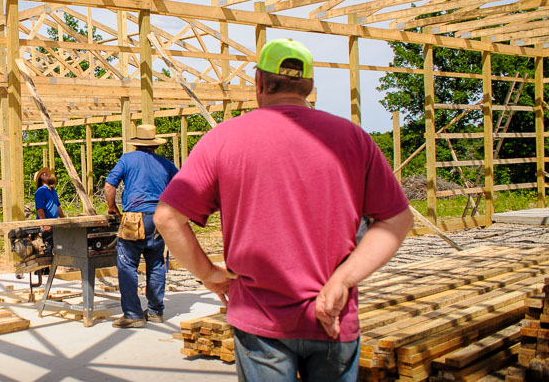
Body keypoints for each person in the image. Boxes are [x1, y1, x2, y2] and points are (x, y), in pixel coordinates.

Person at [154, 39, 413, 381]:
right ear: (309, 86)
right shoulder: (353, 139)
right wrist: (342, 280)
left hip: (261, 319)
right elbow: (398, 220)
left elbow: (167, 217)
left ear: (259, 83)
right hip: (332, 314)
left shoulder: (224, 139)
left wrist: (208, 273)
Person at [105, 124, 178, 328]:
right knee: (156, 264)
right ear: (155, 145)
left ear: (136, 144)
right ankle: (155, 312)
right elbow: (182, 186)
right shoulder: (166, 164)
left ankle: (133, 314)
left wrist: (112, 207)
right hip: (160, 219)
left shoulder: (128, 159)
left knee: (127, 265)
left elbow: (110, 185)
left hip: (134, 218)